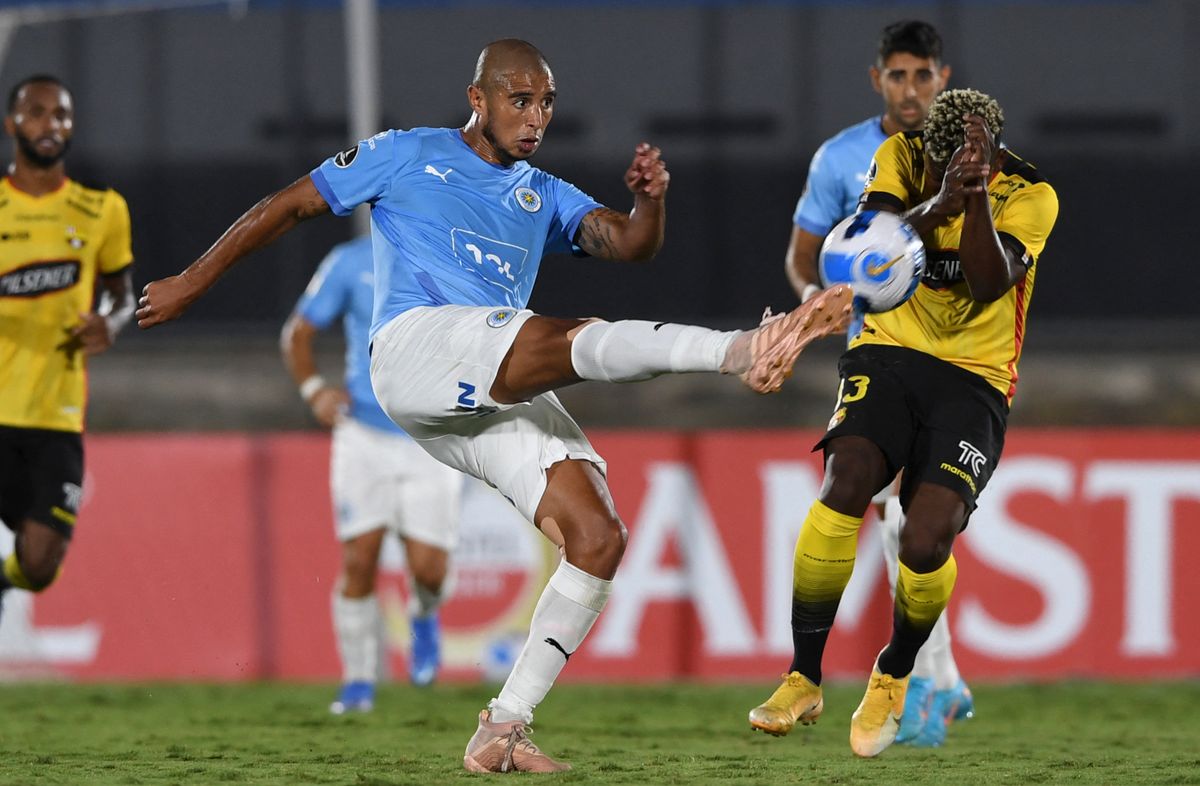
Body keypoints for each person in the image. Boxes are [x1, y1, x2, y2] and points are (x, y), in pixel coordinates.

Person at [136, 39, 852, 772]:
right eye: (519, 98)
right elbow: (287, 206)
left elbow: (632, 245)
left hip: (480, 386)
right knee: (566, 336)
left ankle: (502, 727)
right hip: (414, 351)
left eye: (546, 101)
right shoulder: (406, 152)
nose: (535, 115)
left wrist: (650, 202)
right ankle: (741, 350)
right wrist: (192, 282)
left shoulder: (541, 193)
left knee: (598, 535)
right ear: (477, 99)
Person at [748, 88, 1058, 758]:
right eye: (938, 158)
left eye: (965, 163)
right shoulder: (901, 156)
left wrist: (973, 198)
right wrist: (941, 199)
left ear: (994, 155)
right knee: (845, 482)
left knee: (923, 539)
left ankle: (894, 671)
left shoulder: (1032, 195)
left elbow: (985, 282)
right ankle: (802, 675)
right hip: (889, 353)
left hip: (975, 382)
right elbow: (867, 248)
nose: (942, 164)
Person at [779, 20, 972, 747]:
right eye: (898, 76)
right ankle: (935, 681)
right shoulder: (842, 158)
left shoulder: (967, 158)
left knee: (910, 523)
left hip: (951, 361)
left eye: (923, 75)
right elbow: (804, 258)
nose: (911, 89)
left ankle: (937, 680)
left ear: (942, 78)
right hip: (876, 356)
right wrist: (816, 302)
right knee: (889, 513)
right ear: (878, 80)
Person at [281, 234, 465, 711]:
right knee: (359, 560)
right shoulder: (349, 262)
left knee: (429, 570)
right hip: (361, 433)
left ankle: (423, 615)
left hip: (431, 435)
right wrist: (314, 390)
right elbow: (297, 332)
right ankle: (358, 682)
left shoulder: (456, 253)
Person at [0, 76, 134, 617]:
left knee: (39, 566)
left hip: (56, 415)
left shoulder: (102, 209)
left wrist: (111, 322)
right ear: (11, 125)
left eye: (60, 115)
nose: (49, 125)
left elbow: (122, 297)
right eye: (35, 113)